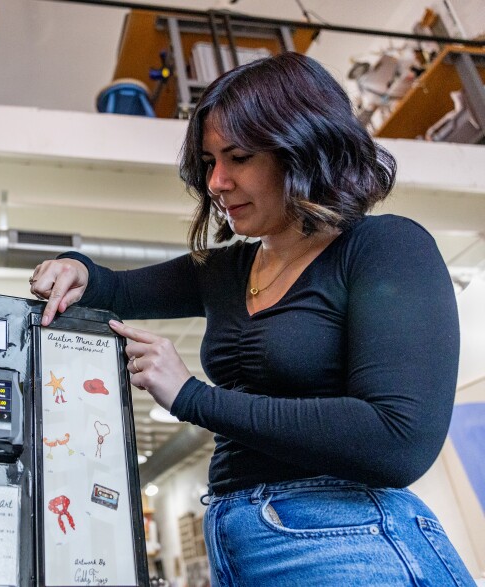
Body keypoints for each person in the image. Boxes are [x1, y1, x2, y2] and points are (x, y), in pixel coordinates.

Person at [30, 52, 475, 586]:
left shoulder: (384, 247)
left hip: (350, 539)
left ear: (303, 147)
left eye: (238, 157)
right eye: (209, 161)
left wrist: (192, 396)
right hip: (236, 537)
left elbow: (396, 440)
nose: (216, 182)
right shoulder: (229, 269)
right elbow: (114, 288)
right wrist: (74, 268)